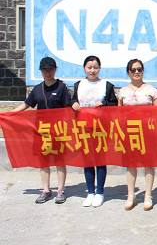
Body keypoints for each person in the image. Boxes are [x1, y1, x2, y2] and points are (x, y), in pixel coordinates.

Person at [13, 57, 71, 204]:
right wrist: (10, 114)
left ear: (55, 70)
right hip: (42, 130)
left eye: (50, 69)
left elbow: (67, 108)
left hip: (58, 130)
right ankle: (46, 190)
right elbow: (27, 104)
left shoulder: (62, 87)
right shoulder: (38, 89)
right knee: (43, 161)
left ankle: (60, 191)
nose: (47, 72)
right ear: (41, 71)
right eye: (44, 69)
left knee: (59, 160)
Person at [71, 55, 118, 208]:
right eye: (89, 67)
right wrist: (73, 103)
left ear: (99, 68)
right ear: (84, 68)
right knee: (88, 161)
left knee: (100, 160)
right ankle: (90, 192)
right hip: (84, 127)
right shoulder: (79, 84)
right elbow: (72, 101)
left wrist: (104, 104)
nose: (92, 70)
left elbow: (114, 104)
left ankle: (100, 192)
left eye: (95, 67)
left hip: (101, 128)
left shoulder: (106, 85)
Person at [117, 59, 157, 211]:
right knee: (130, 164)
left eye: (139, 69)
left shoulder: (151, 90)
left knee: (148, 163)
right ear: (128, 72)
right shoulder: (123, 91)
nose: (136, 72)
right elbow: (119, 113)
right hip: (129, 132)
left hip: (148, 132)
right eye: (133, 70)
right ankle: (131, 196)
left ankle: (148, 195)